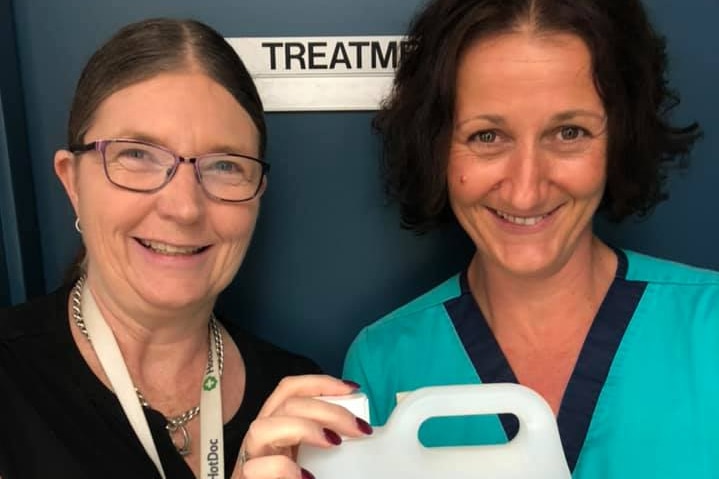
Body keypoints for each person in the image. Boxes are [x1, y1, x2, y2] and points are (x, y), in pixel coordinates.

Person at [338, 0, 719, 477]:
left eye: (568, 132)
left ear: (621, 138)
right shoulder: (383, 361)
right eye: (486, 136)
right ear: (436, 147)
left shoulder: (710, 330)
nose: (526, 189)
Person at [0, 18, 369, 479]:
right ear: (72, 181)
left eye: (224, 166)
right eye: (137, 155)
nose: (184, 207)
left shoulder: (297, 402)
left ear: (257, 193)